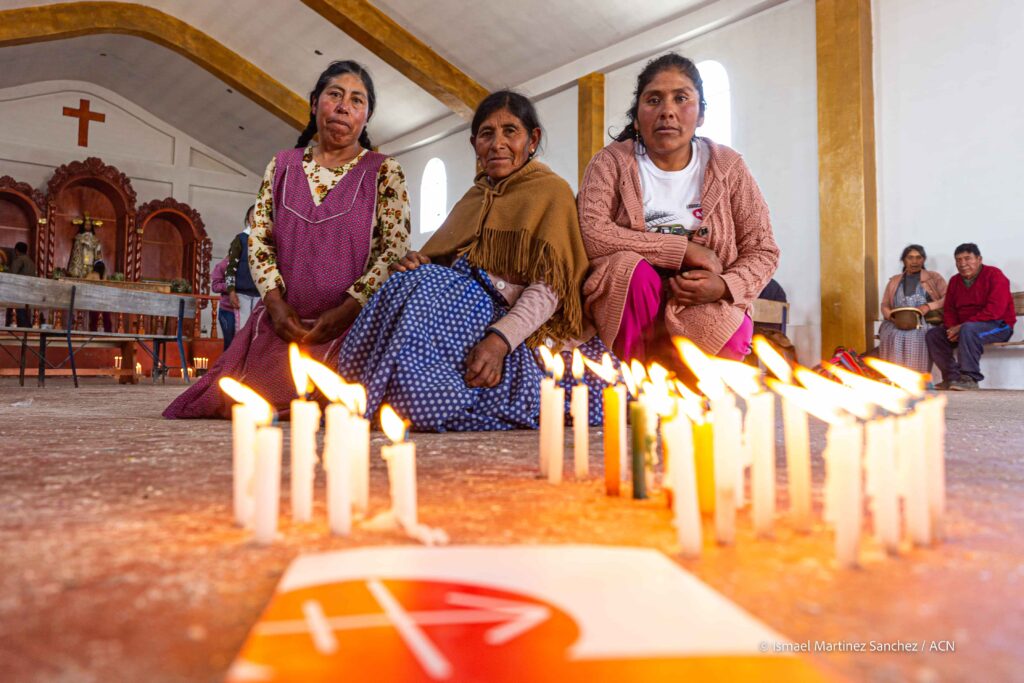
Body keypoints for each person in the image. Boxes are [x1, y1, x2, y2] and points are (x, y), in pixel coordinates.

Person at [337, 90, 609, 431]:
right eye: (486, 134)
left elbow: (551, 288)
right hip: (467, 317)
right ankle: (368, 393)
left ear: (532, 140)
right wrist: (419, 262)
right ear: (474, 144)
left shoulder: (550, 192)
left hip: (513, 329)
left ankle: (426, 399)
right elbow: (446, 258)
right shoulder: (475, 195)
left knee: (424, 288)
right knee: (408, 282)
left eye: (510, 131)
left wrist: (499, 341)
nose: (497, 144)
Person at [164, 60, 410, 419]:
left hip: (351, 326)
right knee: (235, 398)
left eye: (357, 100)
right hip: (284, 323)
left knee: (343, 404)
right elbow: (260, 239)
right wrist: (276, 305)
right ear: (314, 103)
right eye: (335, 95)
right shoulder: (282, 166)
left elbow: (394, 249)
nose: (344, 107)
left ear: (366, 116)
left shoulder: (384, 171)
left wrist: (348, 309)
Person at [577, 53, 779, 371]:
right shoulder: (611, 163)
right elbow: (592, 232)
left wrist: (724, 286)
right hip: (627, 297)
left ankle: (696, 392)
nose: (667, 111)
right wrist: (683, 249)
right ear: (637, 116)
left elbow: (763, 249)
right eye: (653, 100)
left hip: (701, 296)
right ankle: (635, 384)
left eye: (681, 98)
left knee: (729, 332)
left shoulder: (728, 167)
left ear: (701, 115)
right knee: (633, 272)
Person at [925, 243, 1015, 390]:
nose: (962, 264)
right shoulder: (954, 281)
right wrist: (952, 328)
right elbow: (949, 310)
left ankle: (969, 378)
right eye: (958, 260)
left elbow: (995, 311)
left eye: (967, 258)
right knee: (934, 335)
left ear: (979, 259)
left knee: (968, 329)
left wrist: (961, 327)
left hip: (998, 325)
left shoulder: (995, 275)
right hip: (966, 328)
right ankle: (951, 378)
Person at [878, 244, 947, 374]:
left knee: (915, 336)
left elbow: (947, 298)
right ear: (904, 260)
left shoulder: (934, 277)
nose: (914, 261)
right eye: (910, 257)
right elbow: (884, 304)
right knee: (892, 334)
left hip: (923, 321)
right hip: (897, 321)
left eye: (918, 257)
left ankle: (917, 378)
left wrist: (928, 306)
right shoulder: (894, 280)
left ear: (923, 260)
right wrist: (890, 316)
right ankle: (894, 377)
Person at [224, 206, 261, 329]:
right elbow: (230, 268)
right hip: (242, 295)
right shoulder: (241, 239)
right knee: (242, 328)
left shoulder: (268, 240)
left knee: (258, 329)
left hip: (261, 295)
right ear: (247, 219)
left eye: (259, 215)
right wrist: (231, 291)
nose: (255, 218)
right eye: (252, 216)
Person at [210, 255, 238, 349]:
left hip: (243, 309)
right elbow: (215, 286)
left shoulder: (245, 265)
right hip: (227, 311)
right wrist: (230, 286)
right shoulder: (223, 265)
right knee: (229, 343)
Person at [8, 242, 36, 327]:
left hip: (18, 290)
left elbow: (11, 275)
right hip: (29, 290)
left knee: (17, 312)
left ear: (16, 250)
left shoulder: (19, 260)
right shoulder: (31, 262)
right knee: (23, 311)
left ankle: (24, 328)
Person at [85, 261, 114, 332]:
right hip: (103, 299)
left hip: (93, 299)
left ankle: (93, 332)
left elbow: (85, 284)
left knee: (93, 318)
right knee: (106, 317)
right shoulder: (103, 276)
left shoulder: (91, 275)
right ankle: (108, 332)